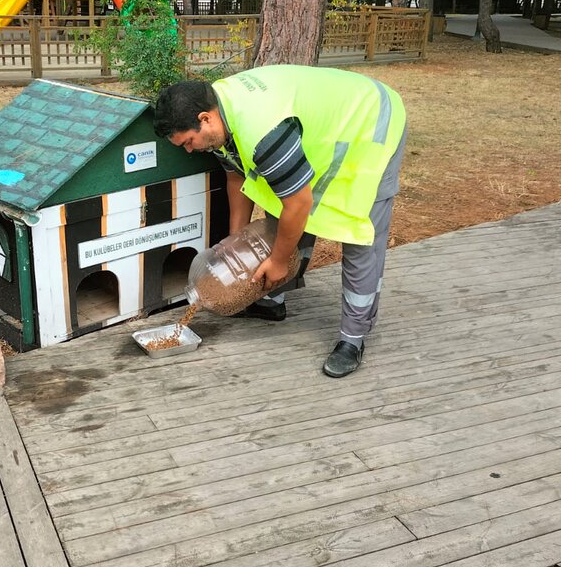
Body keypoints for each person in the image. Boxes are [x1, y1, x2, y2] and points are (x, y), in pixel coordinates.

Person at [152, 65, 407, 378]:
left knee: (358, 233)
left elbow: (298, 204)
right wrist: (235, 243)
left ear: (205, 118)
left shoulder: (263, 130)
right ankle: (272, 300)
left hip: (369, 125)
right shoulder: (220, 118)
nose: (190, 150)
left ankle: (352, 338)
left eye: (188, 142)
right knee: (281, 217)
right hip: (323, 134)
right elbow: (237, 179)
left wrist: (279, 261)